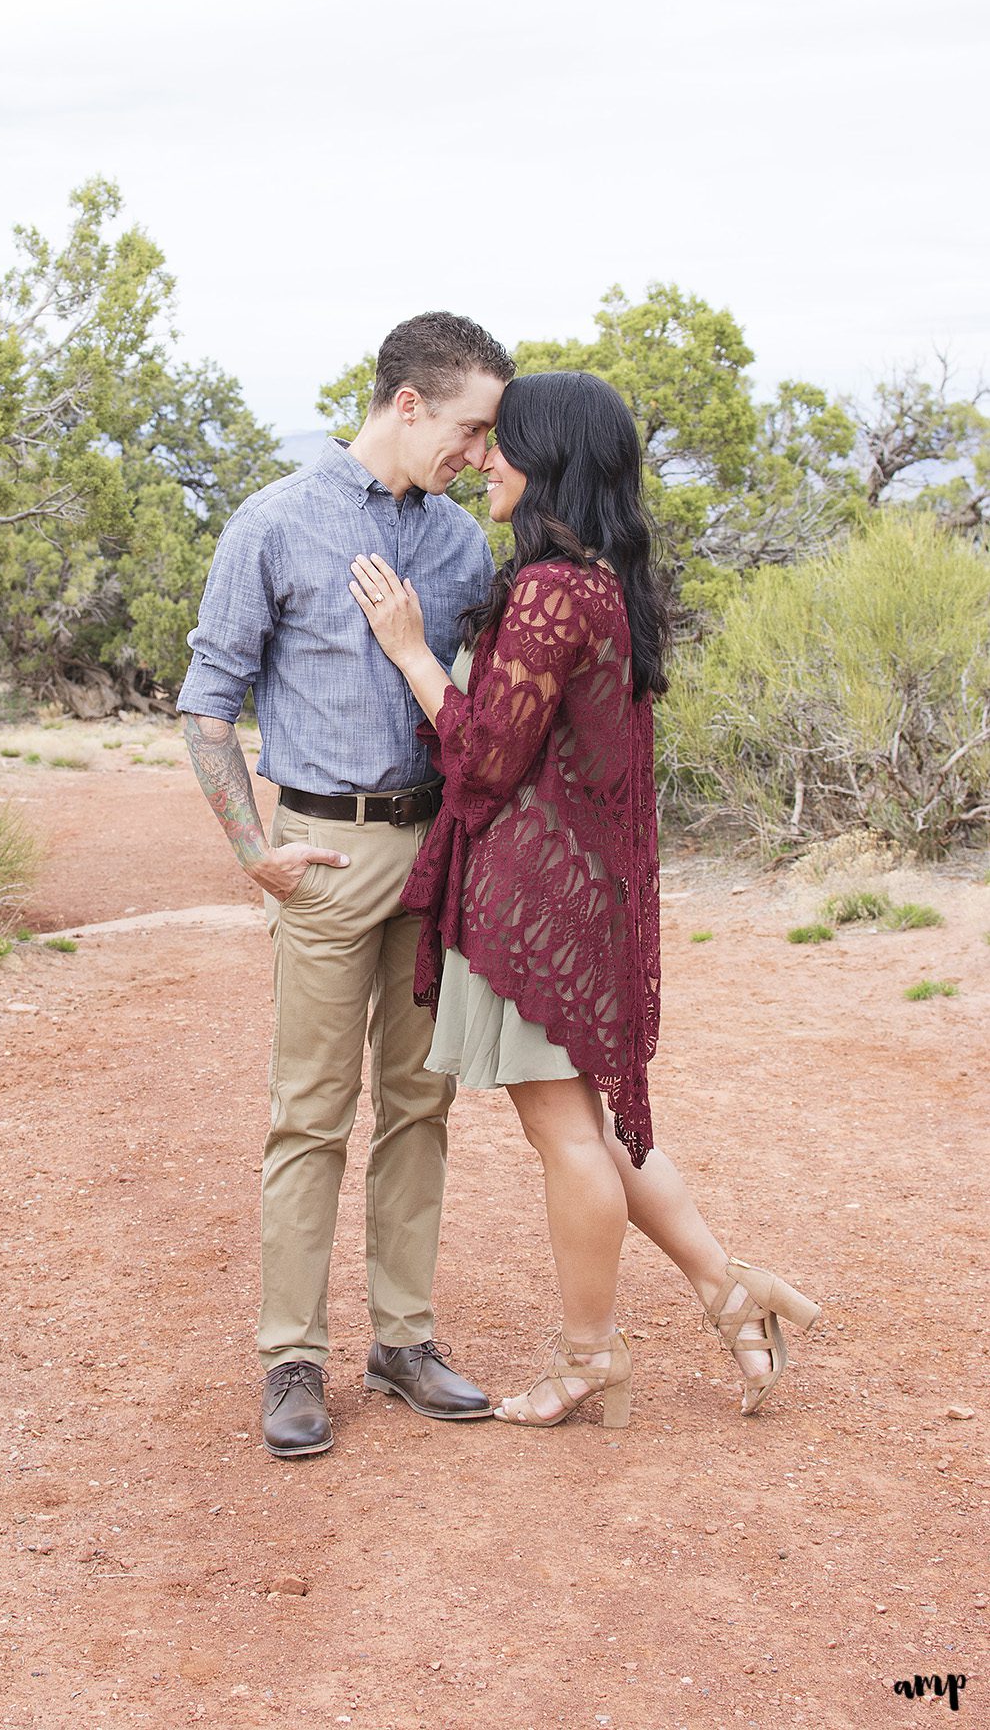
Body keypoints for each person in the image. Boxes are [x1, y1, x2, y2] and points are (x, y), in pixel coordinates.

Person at [349, 369, 821, 1431]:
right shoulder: (604, 581)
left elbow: (482, 757)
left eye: (502, 443)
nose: (482, 460)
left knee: (565, 1137)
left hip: (534, 905)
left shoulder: (557, 588)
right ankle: (725, 1287)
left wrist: (412, 651)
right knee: (593, 1132)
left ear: (551, 457)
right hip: (575, 896)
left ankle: (586, 1359)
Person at [178, 312, 512, 1458]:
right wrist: (250, 851)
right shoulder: (272, 523)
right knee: (310, 1114)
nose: (477, 453)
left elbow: (474, 709)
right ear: (407, 403)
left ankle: (404, 1340)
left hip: (436, 852)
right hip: (321, 852)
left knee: (420, 1104)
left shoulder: (464, 548)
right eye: (469, 428)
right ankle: (293, 1359)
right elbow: (206, 703)